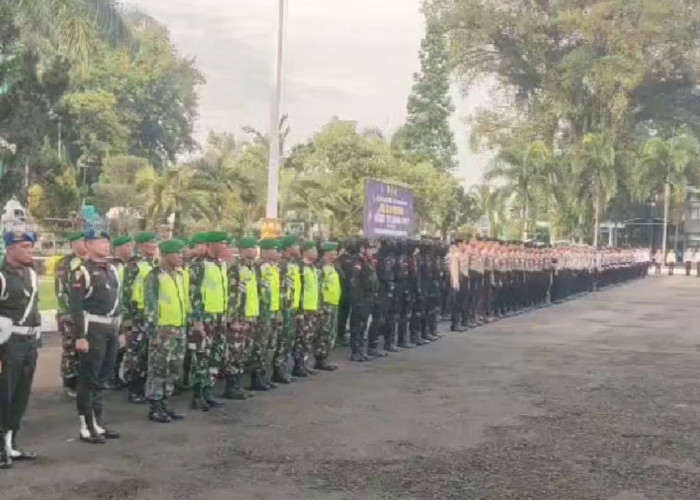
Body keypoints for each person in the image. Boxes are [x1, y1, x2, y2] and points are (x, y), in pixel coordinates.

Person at [69, 229, 122, 444]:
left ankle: (97, 422)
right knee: (89, 378)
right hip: (93, 328)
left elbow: (119, 302)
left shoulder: (112, 269)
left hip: (111, 327)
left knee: (102, 377)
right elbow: (76, 306)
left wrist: (121, 331)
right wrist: (80, 336)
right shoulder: (82, 271)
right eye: (99, 242)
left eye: (106, 241)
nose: (105, 246)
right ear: (88, 245)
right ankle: (85, 426)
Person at [0, 229, 40, 469]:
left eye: (31, 246)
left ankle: (11, 444)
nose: (30, 251)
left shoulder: (31, 274)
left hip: (29, 342)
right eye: (24, 247)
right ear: (10, 248)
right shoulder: (2, 275)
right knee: (3, 395)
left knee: (20, 396)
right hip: (8, 344)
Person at [143, 239, 188, 423]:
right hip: (162, 329)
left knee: (174, 368)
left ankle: (165, 402)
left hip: (179, 326)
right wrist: (154, 330)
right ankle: (155, 406)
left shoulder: (180, 274)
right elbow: (150, 304)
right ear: (166, 255)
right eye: (176, 253)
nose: (180, 257)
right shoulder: (154, 276)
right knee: (158, 368)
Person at [188, 231, 228, 411]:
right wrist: (197, 320)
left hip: (218, 315)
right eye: (223, 243)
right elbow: (194, 294)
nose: (226, 247)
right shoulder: (199, 265)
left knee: (215, 356)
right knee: (201, 357)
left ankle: (207, 390)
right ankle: (197, 395)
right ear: (212, 245)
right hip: (205, 317)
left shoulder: (220, 264)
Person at [123, 231, 159, 404]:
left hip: (152, 315)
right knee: (136, 352)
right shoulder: (134, 265)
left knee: (148, 352)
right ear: (141, 246)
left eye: (154, 243)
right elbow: (126, 291)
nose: (152, 246)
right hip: (138, 315)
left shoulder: (155, 264)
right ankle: (133, 388)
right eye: (148, 244)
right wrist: (128, 316)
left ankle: (144, 386)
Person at [223, 237, 259, 399]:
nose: (254, 251)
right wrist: (233, 318)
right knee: (235, 352)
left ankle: (238, 385)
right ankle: (231, 386)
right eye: (250, 248)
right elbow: (232, 295)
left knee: (244, 352)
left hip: (250, 315)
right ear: (243, 250)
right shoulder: (236, 269)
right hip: (240, 316)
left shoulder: (251, 268)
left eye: (255, 248)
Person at [54, 231, 86, 398]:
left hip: (86, 313)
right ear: (73, 244)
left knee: (85, 348)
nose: (84, 244)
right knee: (70, 349)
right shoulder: (66, 263)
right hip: (69, 313)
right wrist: (68, 312)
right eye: (81, 241)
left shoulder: (90, 262)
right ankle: (69, 382)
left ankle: (82, 380)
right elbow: (61, 291)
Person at [253, 239, 282, 390]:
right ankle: (257, 377)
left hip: (272, 311)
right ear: (264, 251)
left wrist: (277, 311)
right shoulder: (259, 268)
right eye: (274, 250)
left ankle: (264, 375)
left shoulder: (273, 268)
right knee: (261, 345)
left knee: (270, 345)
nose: (278, 253)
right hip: (263, 312)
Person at [273, 236, 301, 384]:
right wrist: (280, 309)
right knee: (282, 339)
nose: (298, 247)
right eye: (295, 244)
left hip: (291, 307)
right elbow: (280, 289)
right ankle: (278, 370)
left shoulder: (293, 263)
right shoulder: (282, 265)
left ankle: (282, 367)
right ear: (288, 248)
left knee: (288, 338)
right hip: (284, 308)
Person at [109, 235, 134, 390]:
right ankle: (111, 375)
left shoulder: (133, 265)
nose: (130, 248)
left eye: (131, 245)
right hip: (115, 311)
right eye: (127, 245)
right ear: (118, 249)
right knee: (115, 344)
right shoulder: (112, 265)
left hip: (130, 310)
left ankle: (120, 374)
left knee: (127, 344)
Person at [293, 241, 321, 374]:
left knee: (308, 337)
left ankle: (304, 364)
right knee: (301, 338)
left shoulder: (312, 267)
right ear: (305, 251)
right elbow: (299, 289)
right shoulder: (300, 267)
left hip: (312, 307)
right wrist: (299, 309)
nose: (316, 252)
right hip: (304, 308)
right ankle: (298, 365)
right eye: (313, 249)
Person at [314, 241, 341, 371]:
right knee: (324, 332)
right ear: (327, 253)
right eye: (333, 252)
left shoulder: (332, 266)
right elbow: (318, 287)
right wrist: (319, 306)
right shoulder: (321, 267)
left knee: (330, 332)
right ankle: (321, 359)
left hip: (333, 303)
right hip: (325, 304)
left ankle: (325, 357)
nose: (335, 254)